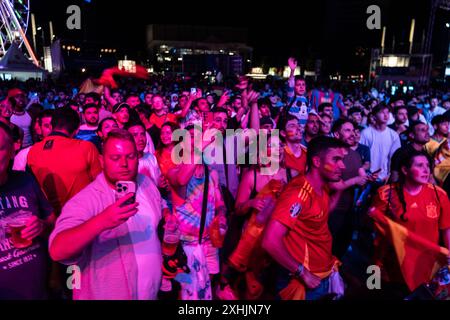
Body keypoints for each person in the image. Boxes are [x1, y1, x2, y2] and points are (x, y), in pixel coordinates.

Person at [49, 129, 163, 300]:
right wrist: (103, 221)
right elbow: (58, 250)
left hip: (151, 292)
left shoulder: (146, 183)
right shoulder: (87, 200)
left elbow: (156, 221)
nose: (124, 163)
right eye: (115, 158)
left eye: (130, 156)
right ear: (102, 161)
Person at [263, 136, 348, 300]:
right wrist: (302, 273)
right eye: (336, 159)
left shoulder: (321, 187)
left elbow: (317, 217)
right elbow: (269, 240)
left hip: (322, 272)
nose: (342, 166)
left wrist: (339, 190)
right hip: (304, 282)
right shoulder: (298, 194)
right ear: (317, 162)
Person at [369, 150, 450, 298]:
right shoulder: (385, 194)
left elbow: (446, 229)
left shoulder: (439, 195)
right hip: (386, 265)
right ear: (405, 170)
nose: (426, 170)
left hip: (424, 265)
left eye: (427, 165)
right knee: (374, 294)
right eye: (419, 165)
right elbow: (372, 229)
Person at [166, 125, 227, 300]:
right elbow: (182, 179)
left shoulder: (211, 172)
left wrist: (221, 214)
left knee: (208, 289)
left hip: (209, 244)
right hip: (184, 248)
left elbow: (220, 204)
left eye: (198, 137)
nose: (197, 141)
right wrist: (204, 142)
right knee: (185, 293)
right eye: (192, 137)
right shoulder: (174, 170)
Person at [0, 122, 56, 299]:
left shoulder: (25, 180)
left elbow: (52, 220)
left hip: (40, 289)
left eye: (0, 148)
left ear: (11, 152)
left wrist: (42, 225)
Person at [27, 107, 102, 215]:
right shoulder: (86, 147)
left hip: (50, 221)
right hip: (82, 217)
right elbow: (99, 185)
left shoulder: (33, 151)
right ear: (76, 129)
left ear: (52, 126)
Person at [360, 104, 401, 182]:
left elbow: (395, 157)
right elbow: (361, 156)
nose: (386, 115)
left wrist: (390, 174)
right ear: (374, 116)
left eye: (387, 112)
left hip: (385, 177)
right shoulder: (366, 133)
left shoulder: (393, 135)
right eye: (382, 112)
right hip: (367, 176)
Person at [125, 121, 161, 185]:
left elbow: (158, 182)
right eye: (135, 135)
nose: (141, 139)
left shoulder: (151, 158)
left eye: (143, 134)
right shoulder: (124, 164)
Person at [280, 114, 307, 179]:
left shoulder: (308, 153)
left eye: (299, 125)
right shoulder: (279, 153)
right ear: (283, 133)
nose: (298, 128)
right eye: (292, 126)